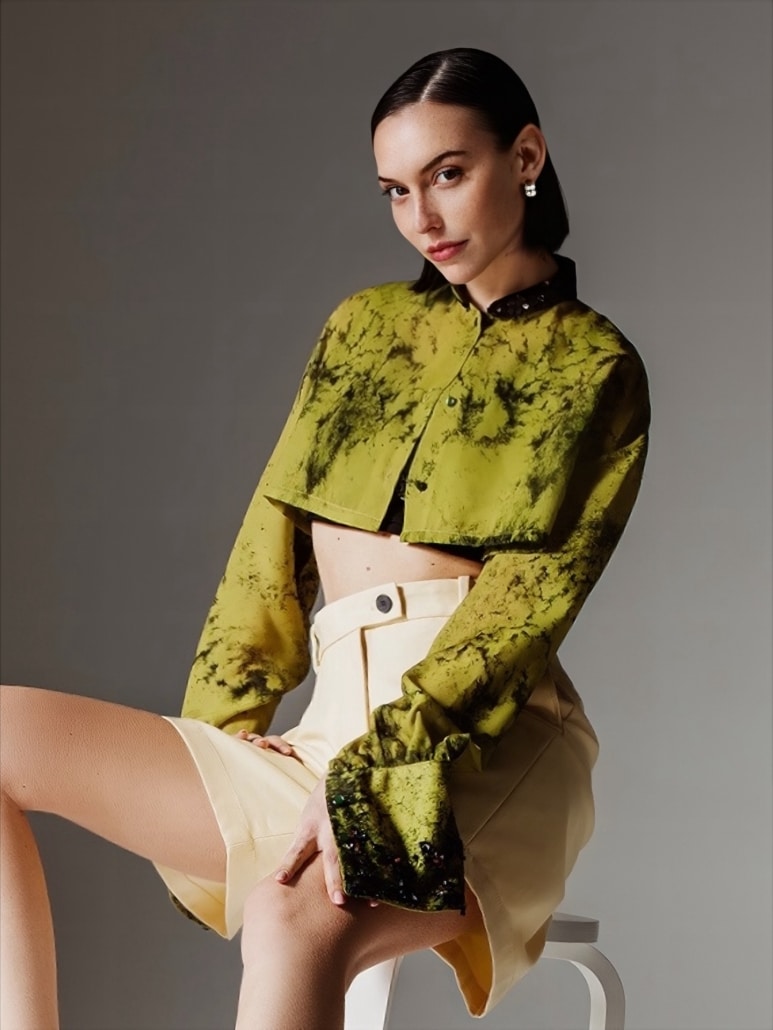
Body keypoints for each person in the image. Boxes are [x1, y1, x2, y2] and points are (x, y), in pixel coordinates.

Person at [0, 47, 649, 1029]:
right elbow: (266, 549)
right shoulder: (362, 329)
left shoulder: (593, 365)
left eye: (447, 173)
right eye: (395, 190)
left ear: (524, 156)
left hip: (476, 741)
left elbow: (521, 611)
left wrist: (375, 770)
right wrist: (224, 730)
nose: (421, 217)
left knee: (290, 918)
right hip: (323, 730)